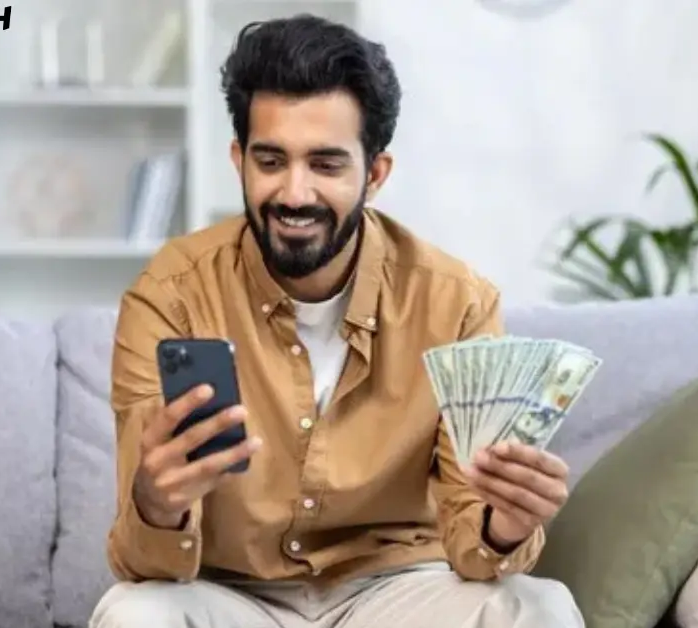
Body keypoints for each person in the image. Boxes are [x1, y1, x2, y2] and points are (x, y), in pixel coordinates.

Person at [90, 13, 584, 628]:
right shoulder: (171, 294)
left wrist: (503, 527)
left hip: (396, 594)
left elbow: (472, 541)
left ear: (375, 174)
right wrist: (156, 504)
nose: (295, 194)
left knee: (539, 607)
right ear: (239, 159)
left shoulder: (457, 302)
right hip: (232, 595)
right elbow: (141, 561)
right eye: (271, 161)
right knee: (135, 614)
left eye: (326, 165)